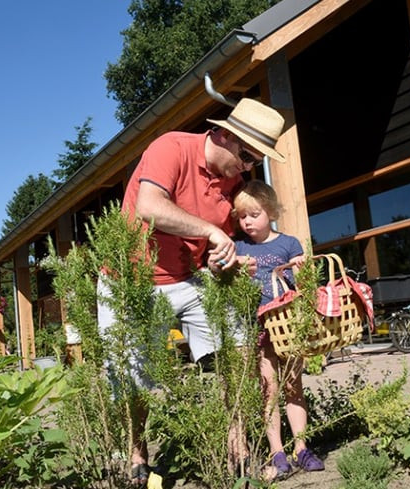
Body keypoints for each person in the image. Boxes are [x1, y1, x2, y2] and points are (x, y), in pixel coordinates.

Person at [99, 98, 287, 487]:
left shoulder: (234, 185)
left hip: (188, 278)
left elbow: (216, 251)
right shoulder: (172, 147)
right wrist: (210, 230)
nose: (249, 167)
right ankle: (138, 455)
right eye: (248, 155)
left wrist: (225, 259)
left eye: (256, 161)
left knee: (237, 346)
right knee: (135, 375)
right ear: (225, 135)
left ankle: (235, 444)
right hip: (130, 281)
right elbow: (149, 207)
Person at [226, 180, 325, 480]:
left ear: (269, 211)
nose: (246, 222)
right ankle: (277, 452)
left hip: (288, 328)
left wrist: (301, 268)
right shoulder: (239, 247)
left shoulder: (289, 244)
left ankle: (302, 447)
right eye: (242, 217)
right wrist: (233, 267)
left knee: (294, 387)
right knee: (268, 391)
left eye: (252, 215)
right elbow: (225, 276)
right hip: (257, 329)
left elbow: (300, 285)